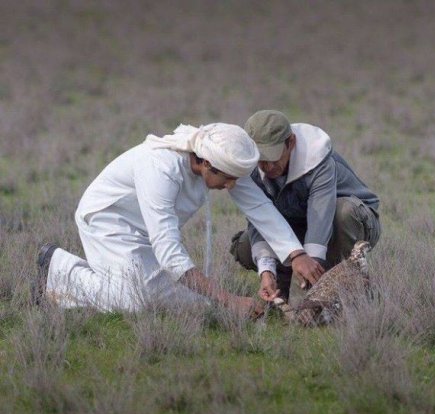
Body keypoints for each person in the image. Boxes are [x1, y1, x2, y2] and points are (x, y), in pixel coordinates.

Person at [33, 123, 311, 317]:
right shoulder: (160, 169)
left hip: (146, 232)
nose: (231, 186)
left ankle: (100, 280)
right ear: (204, 163)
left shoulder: (220, 157)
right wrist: (229, 300)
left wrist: (295, 253)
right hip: (107, 221)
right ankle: (58, 267)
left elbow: (260, 208)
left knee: (188, 303)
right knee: (133, 303)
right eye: (226, 179)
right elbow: (169, 252)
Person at [230, 110, 381, 306]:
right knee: (245, 245)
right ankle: (281, 286)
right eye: (260, 159)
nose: (266, 166)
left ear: (291, 143)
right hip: (300, 226)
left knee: (343, 211)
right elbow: (260, 219)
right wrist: (267, 271)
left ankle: (336, 286)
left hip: (351, 223)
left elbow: (320, 221)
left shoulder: (317, 158)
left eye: (273, 157)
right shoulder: (251, 166)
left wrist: (306, 292)